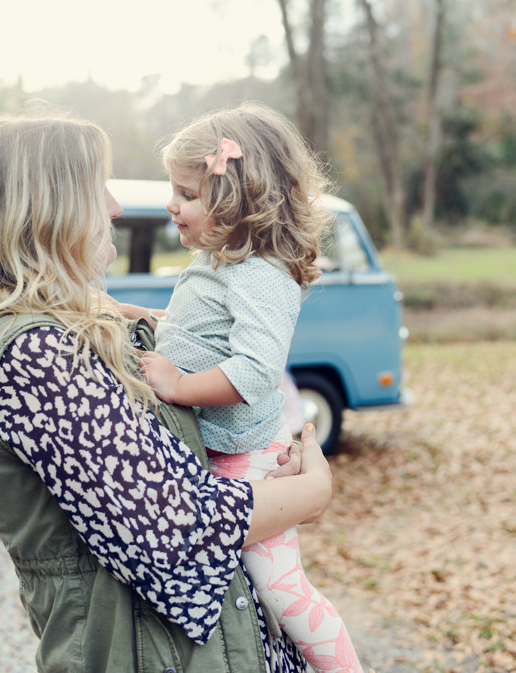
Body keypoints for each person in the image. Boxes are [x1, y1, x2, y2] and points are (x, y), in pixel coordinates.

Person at [0, 111, 336, 673]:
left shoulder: (63, 328)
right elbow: (179, 530)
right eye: (96, 189)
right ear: (48, 207)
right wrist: (313, 492)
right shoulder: (35, 356)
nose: (116, 208)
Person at [120, 103, 364, 673]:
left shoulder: (261, 274)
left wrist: (178, 385)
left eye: (186, 194)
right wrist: (134, 316)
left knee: (282, 590)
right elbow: (197, 334)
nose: (170, 204)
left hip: (246, 459)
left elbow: (254, 370)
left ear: (236, 202)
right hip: (223, 457)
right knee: (250, 596)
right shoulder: (220, 265)